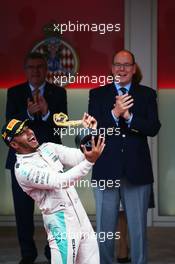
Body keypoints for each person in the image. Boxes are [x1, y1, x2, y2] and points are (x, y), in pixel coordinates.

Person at [88, 49, 161, 264]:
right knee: (105, 231)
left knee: (138, 231)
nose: (122, 69)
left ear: (134, 68)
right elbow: (93, 129)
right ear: (112, 68)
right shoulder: (97, 94)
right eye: (118, 64)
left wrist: (130, 117)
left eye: (127, 65)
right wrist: (114, 114)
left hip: (137, 171)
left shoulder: (147, 94)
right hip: (106, 170)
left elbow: (153, 127)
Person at [1, 115, 105, 264]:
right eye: (21, 133)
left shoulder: (48, 147)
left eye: (27, 128)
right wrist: (89, 162)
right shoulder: (22, 170)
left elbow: (80, 156)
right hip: (60, 223)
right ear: (14, 145)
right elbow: (60, 181)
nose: (29, 132)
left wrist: (90, 133)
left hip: (80, 215)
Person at [5, 52, 67, 264]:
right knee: (23, 212)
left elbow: (62, 124)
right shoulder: (14, 93)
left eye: (40, 66)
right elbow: (8, 127)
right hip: (21, 163)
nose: (36, 71)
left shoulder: (59, 93)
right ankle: (27, 255)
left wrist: (48, 112)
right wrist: (28, 115)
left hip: (48, 162)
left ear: (46, 69)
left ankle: (52, 254)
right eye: (31, 67)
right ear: (26, 70)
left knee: (52, 211)